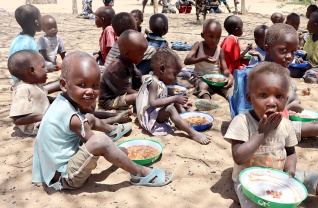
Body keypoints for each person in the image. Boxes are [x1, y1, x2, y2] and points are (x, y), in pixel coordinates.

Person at [32, 51, 173, 190]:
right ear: (63, 85)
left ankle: (112, 130)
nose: (90, 91)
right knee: (101, 141)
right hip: (66, 177)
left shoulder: (61, 103)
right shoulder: (72, 118)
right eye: (82, 85)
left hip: (52, 169)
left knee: (89, 119)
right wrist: (118, 151)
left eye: (95, 85)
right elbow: (98, 145)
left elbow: (89, 113)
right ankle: (140, 173)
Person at [225, 62, 318, 208]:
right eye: (263, 95)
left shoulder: (286, 124)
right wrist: (262, 132)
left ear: (286, 99)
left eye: (279, 96)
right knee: (254, 204)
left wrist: (290, 170)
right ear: (250, 98)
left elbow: (290, 153)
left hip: (279, 176)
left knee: (311, 178)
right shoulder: (242, 121)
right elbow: (238, 157)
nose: (271, 102)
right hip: (249, 182)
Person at [230, 23, 318, 142]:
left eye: (293, 52)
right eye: (283, 50)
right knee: (316, 127)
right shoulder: (261, 76)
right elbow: (257, 115)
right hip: (265, 128)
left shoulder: (282, 72)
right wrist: (290, 106)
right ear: (267, 49)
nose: (289, 56)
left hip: (280, 120)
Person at [136, 48, 211, 145]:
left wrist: (178, 101)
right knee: (170, 108)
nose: (175, 79)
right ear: (162, 69)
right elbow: (153, 103)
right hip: (148, 119)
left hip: (153, 113)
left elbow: (164, 96)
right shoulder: (153, 83)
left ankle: (183, 118)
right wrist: (175, 98)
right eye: (174, 74)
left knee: (172, 97)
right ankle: (192, 133)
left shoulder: (159, 80)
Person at [184, 19, 234, 110]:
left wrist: (229, 75)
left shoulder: (220, 50)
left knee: (229, 88)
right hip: (201, 77)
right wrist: (202, 58)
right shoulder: (199, 45)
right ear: (202, 35)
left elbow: (225, 69)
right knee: (203, 85)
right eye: (211, 36)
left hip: (217, 78)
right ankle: (206, 101)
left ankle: (233, 100)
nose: (214, 40)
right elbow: (187, 61)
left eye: (217, 37)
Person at [99, 30, 147, 110]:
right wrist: (146, 95)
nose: (143, 56)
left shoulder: (129, 61)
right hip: (111, 100)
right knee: (137, 97)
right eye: (140, 54)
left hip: (122, 92)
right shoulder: (116, 68)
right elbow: (126, 92)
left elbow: (138, 78)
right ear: (127, 54)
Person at [8, 50, 50, 135]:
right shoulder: (22, 90)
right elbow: (17, 120)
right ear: (32, 71)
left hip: (44, 120)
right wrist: (44, 117)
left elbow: (42, 99)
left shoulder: (34, 84)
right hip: (36, 126)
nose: (46, 70)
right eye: (43, 67)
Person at [8, 5, 43, 84]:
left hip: (18, 81)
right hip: (28, 84)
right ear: (37, 23)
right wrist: (49, 68)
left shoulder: (17, 39)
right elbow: (36, 70)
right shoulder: (31, 44)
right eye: (40, 16)